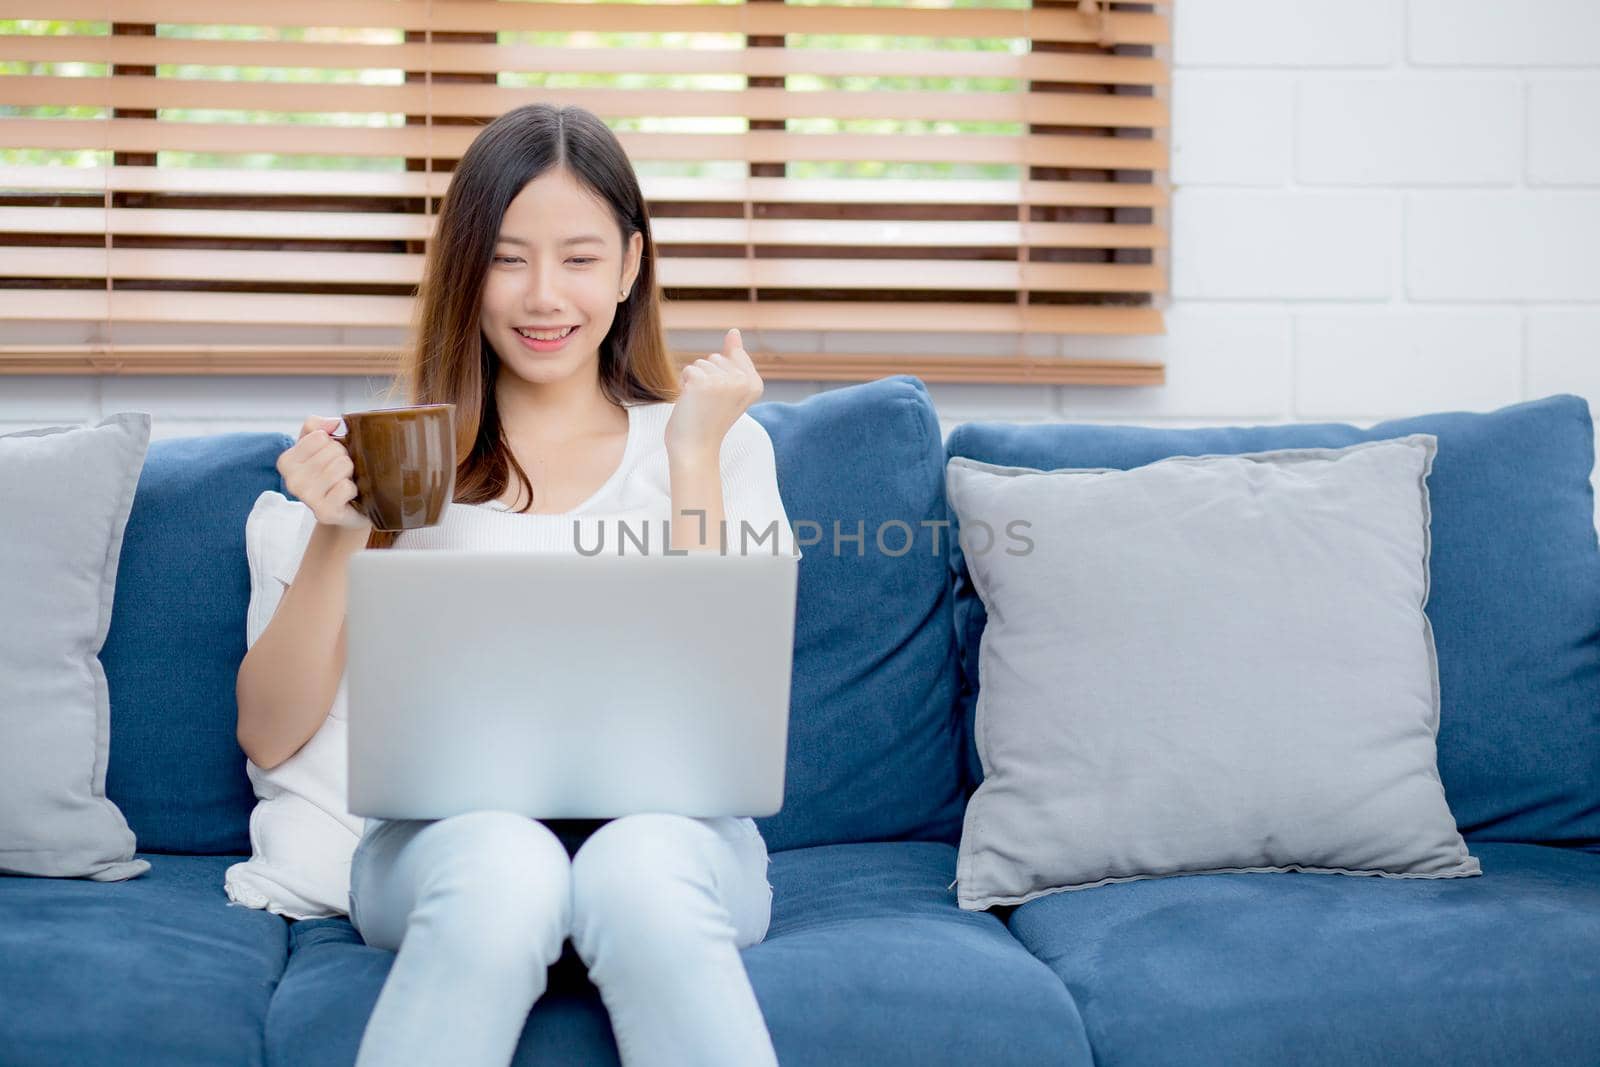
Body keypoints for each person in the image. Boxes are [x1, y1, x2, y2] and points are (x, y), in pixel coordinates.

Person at [234, 103, 797, 1067]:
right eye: (506, 258)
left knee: (640, 867)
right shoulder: (397, 452)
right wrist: (342, 535)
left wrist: (693, 452)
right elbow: (270, 730)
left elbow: (717, 714)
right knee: (505, 861)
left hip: (683, 841)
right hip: (440, 848)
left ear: (630, 267)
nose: (544, 296)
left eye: (579, 258)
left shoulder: (718, 437)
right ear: (465, 271)